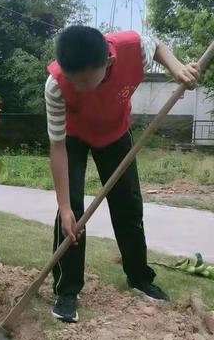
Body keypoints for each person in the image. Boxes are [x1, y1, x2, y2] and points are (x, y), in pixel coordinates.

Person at [45, 25, 200, 323]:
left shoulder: (131, 49)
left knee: (128, 205)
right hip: (73, 139)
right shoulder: (55, 85)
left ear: (107, 63)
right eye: (71, 80)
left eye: (84, 81)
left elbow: (155, 45)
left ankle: (139, 277)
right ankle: (67, 290)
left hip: (115, 133)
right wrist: (64, 207)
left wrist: (179, 68)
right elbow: (57, 147)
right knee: (72, 213)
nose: (76, 87)